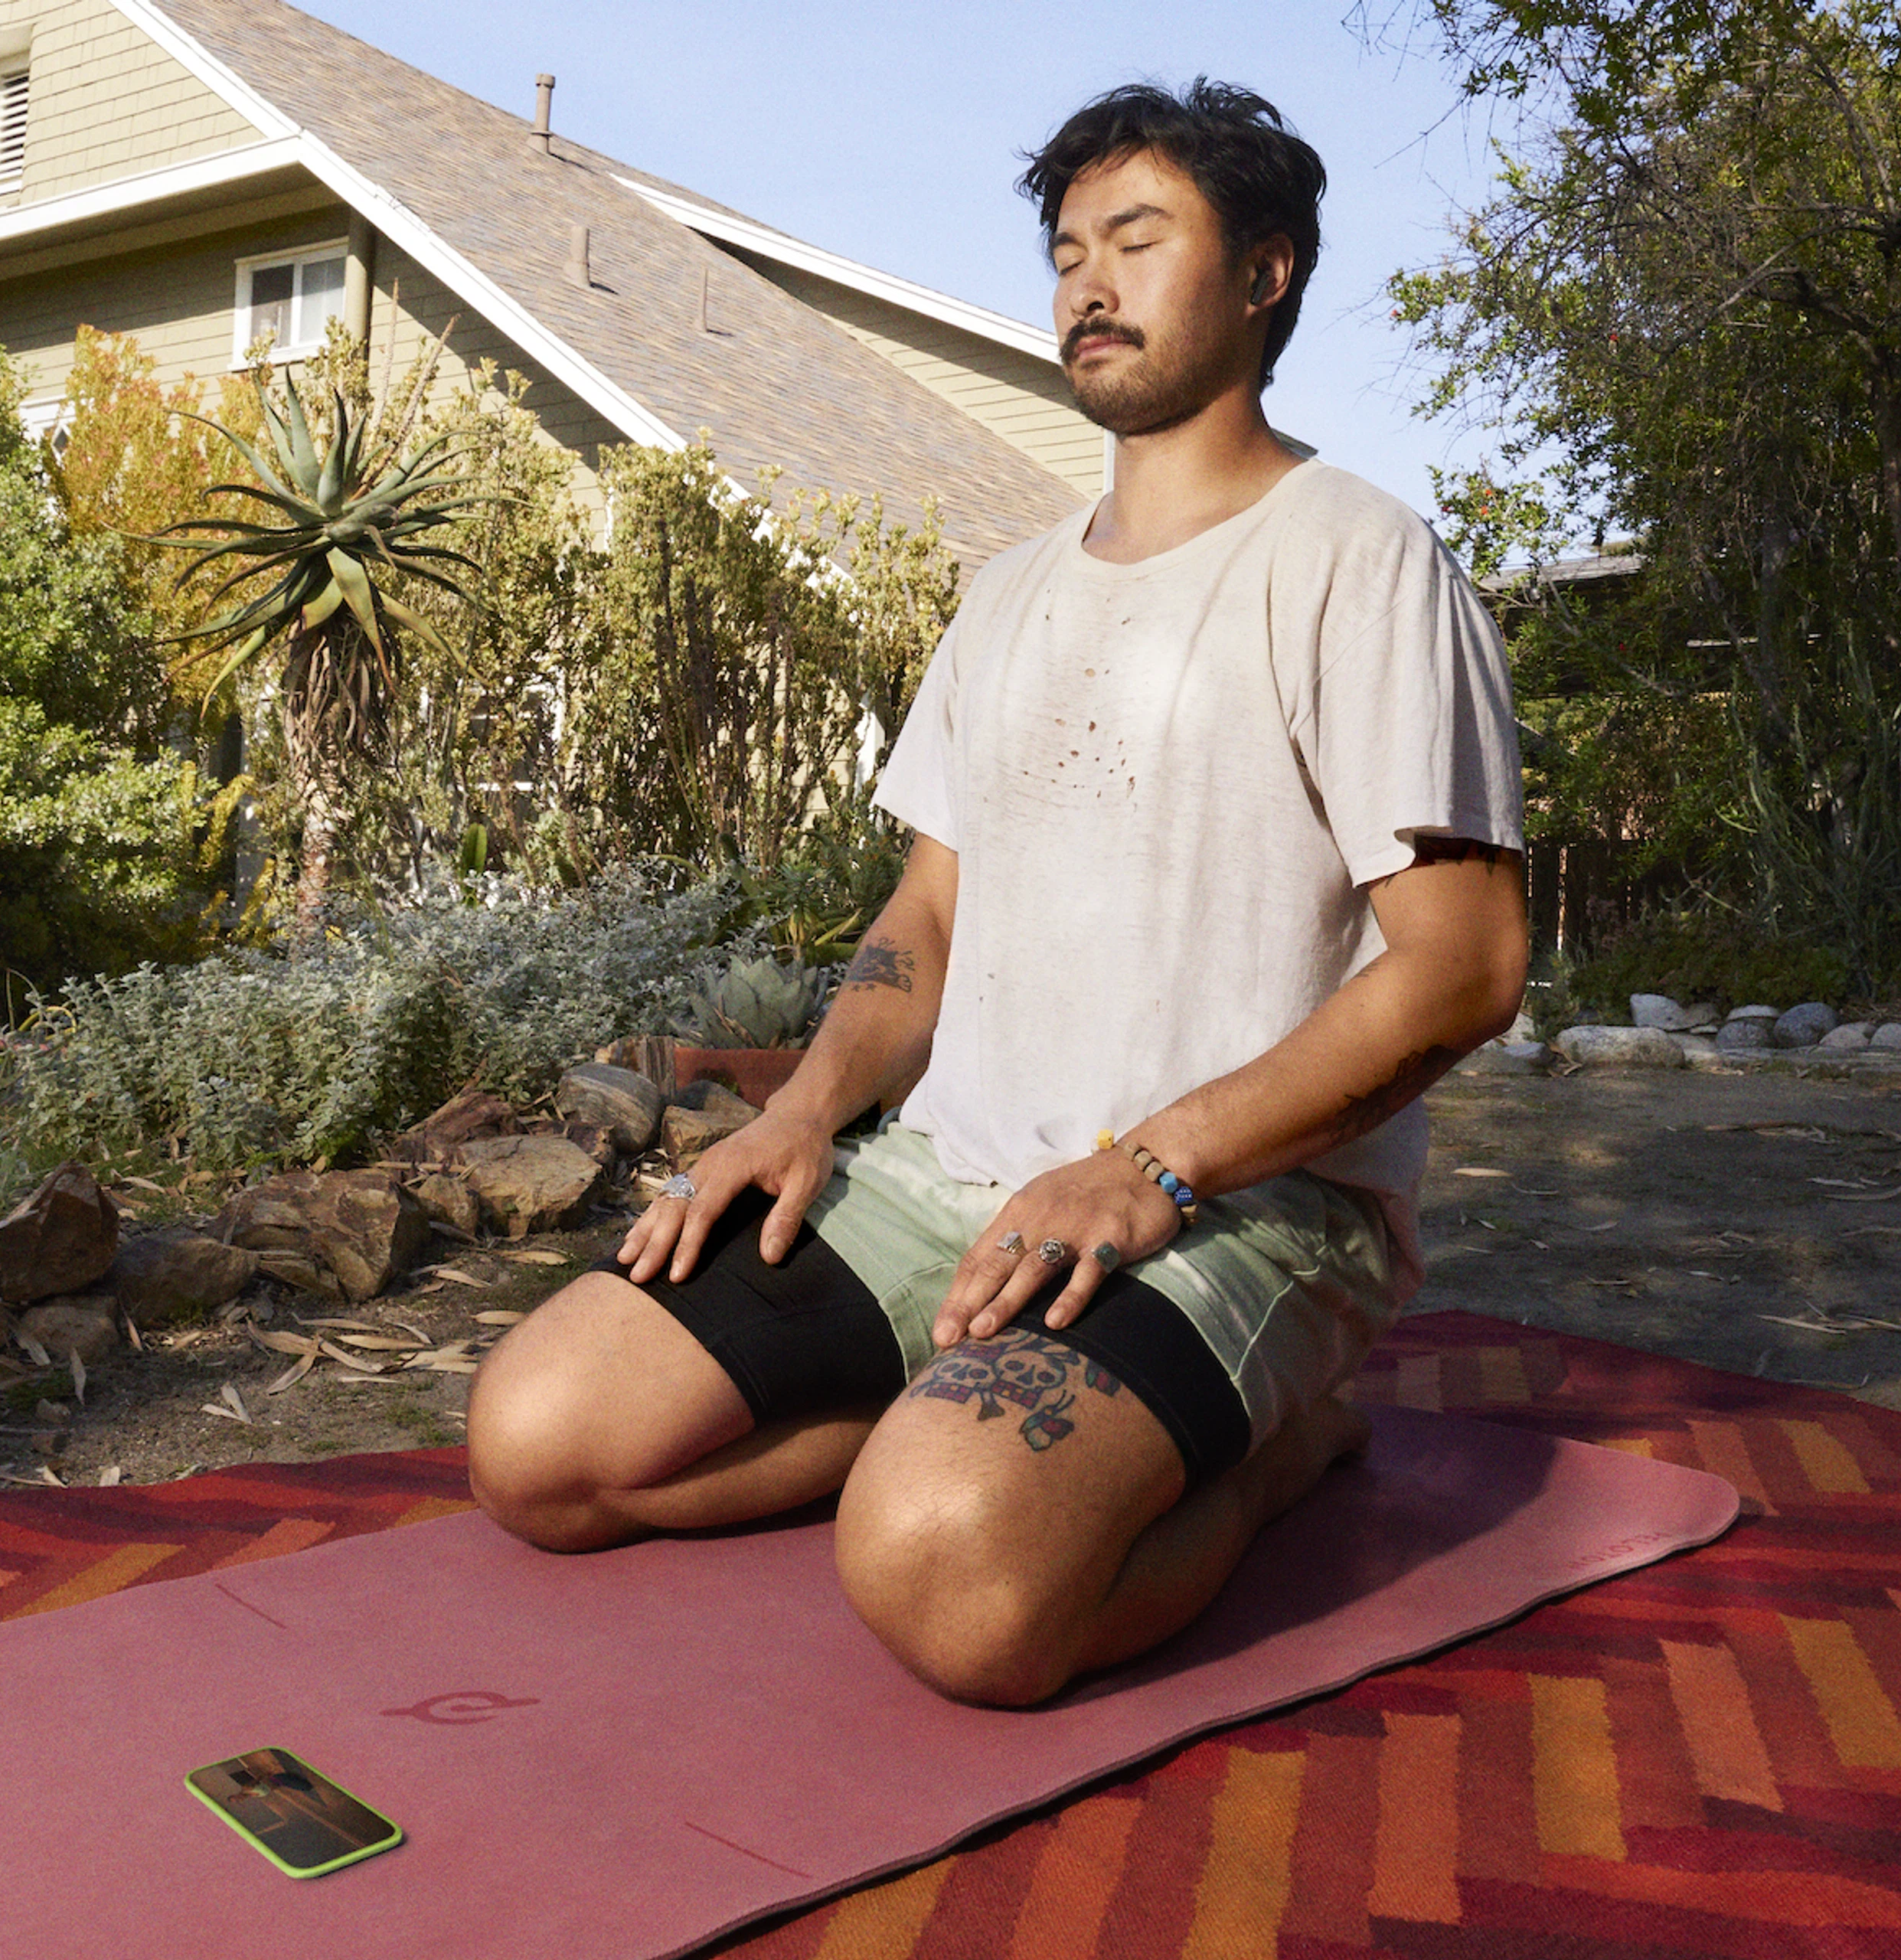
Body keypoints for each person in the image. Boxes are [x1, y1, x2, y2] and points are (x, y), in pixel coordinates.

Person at [469, 79, 1527, 1708]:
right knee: (535, 1445)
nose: (1086, 284)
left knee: (958, 1587)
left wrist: (1146, 1166)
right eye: (1064, 251)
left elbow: (1461, 968)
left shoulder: (1363, 562)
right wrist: (806, 1115)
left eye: (1137, 239)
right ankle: (948, 1404)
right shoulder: (1008, 592)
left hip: (1242, 1209)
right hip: (950, 1181)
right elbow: (926, 919)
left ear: (1268, 273)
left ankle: (1277, 1450)